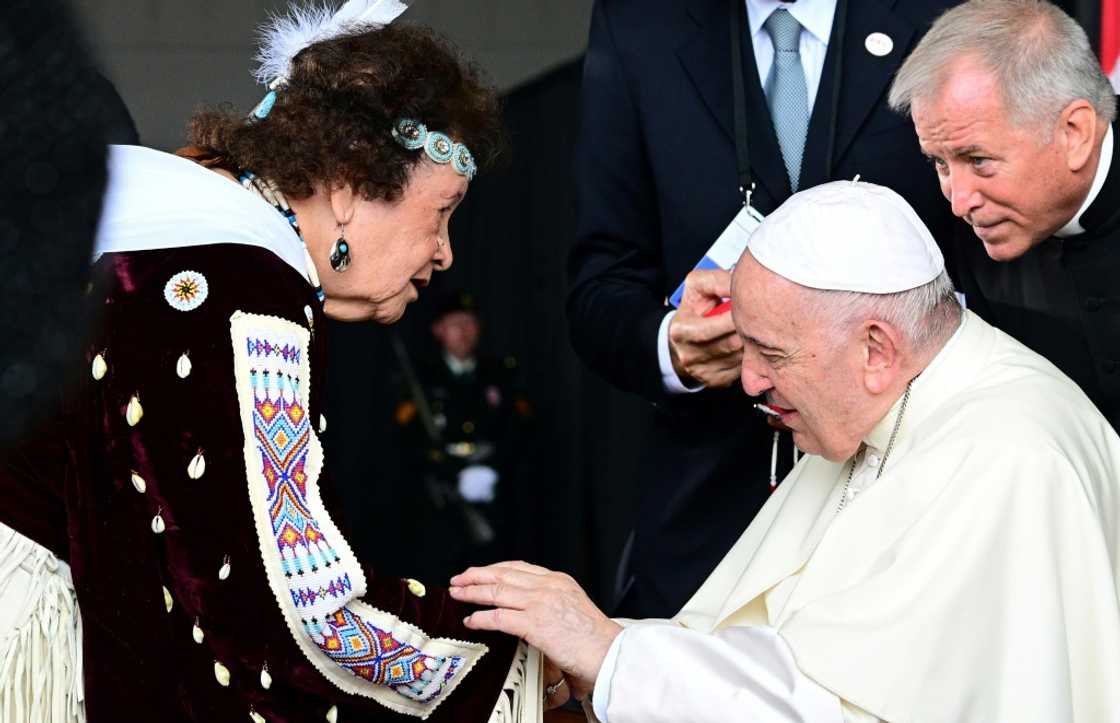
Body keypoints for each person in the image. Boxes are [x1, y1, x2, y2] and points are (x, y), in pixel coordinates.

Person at [0, 4, 543, 722]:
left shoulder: (182, 241)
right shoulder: (242, 288)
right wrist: (505, 661)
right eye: (441, 212)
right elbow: (284, 601)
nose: (445, 253)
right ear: (349, 181)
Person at [451, 182, 1120, 721]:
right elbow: (767, 645)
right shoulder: (882, 408)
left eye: (770, 353)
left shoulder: (1008, 457)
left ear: (876, 349)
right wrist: (600, 660)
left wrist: (613, 652)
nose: (748, 382)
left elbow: (840, 709)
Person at [568, 0, 962, 620]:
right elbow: (598, 285)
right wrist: (671, 344)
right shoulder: (639, 22)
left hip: (915, 499)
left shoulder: (941, 12)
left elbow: (996, 243)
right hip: (711, 514)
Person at [888, 0, 1120, 429]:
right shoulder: (958, 228)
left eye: (978, 160)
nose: (959, 202)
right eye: (940, 163)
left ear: (1074, 133)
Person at [394, 290, 531, 581]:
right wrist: (453, 474)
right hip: (440, 500)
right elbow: (408, 440)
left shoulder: (499, 374)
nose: (464, 331)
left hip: (493, 495)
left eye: (470, 323)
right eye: (456, 323)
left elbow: (517, 431)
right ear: (439, 330)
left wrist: (492, 470)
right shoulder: (422, 379)